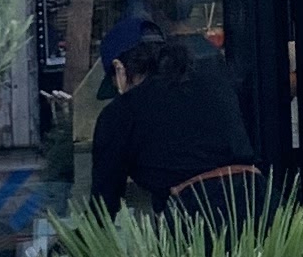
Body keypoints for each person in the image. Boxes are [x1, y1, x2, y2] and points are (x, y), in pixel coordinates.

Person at [90, 28, 262, 219]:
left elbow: (103, 207)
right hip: (261, 203)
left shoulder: (121, 111)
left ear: (119, 69)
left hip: (197, 218)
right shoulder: (215, 85)